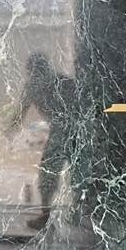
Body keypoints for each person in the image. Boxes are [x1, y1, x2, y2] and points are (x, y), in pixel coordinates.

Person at [8, 51, 74, 231]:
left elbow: (18, 114)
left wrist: (10, 129)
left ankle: (47, 216)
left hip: (66, 131)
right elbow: (19, 114)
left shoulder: (54, 84)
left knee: (50, 174)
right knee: (56, 174)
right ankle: (54, 214)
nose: (35, 74)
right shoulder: (56, 82)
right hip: (69, 131)